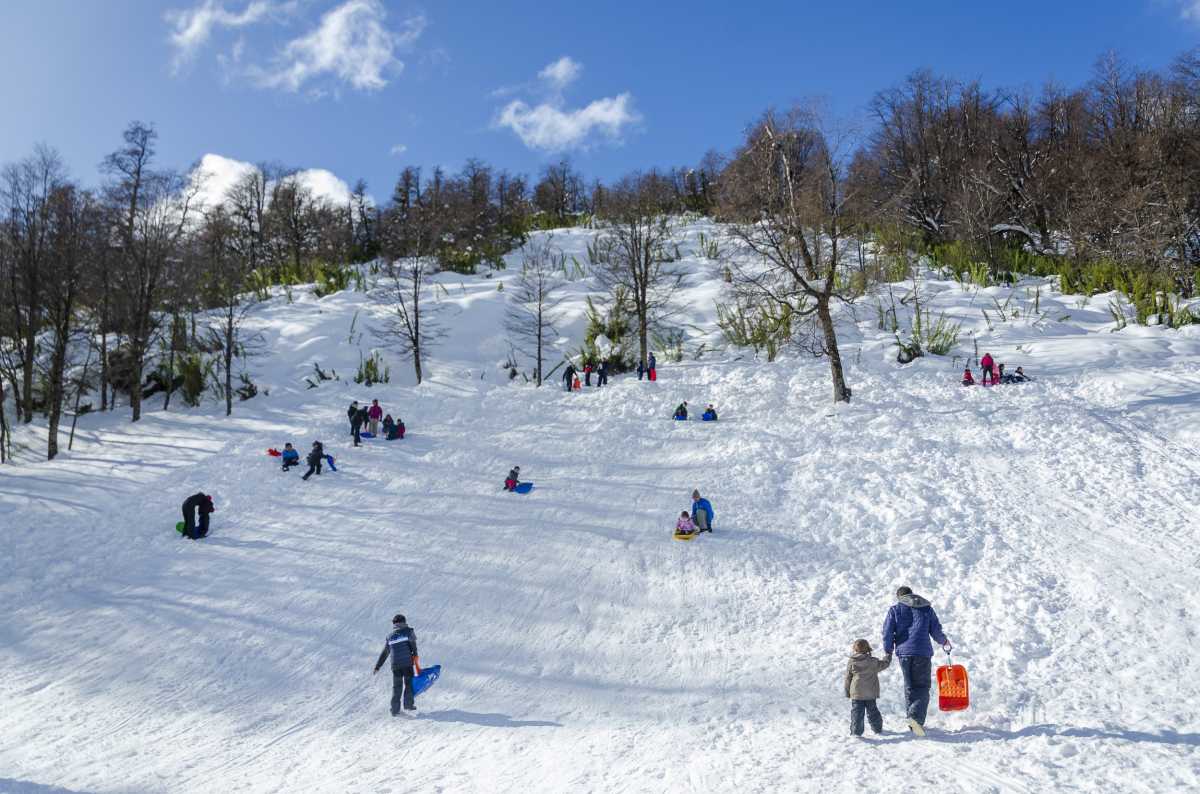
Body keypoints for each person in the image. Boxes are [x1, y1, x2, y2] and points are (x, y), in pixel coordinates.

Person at [881, 586, 951, 736]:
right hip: (922, 653)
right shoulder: (926, 609)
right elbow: (936, 630)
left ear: (899, 597)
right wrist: (944, 642)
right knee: (922, 687)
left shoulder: (895, 610)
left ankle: (913, 721)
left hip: (904, 654)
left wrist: (888, 650)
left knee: (910, 687)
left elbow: (887, 632)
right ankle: (915, 719)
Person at [372, 613, 421, 717]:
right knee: (408, 684)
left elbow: (385, 653)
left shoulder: (390, 637)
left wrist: (377, 666)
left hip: (395, 665)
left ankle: (395, 710)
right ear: (404, 622)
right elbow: (413, 646)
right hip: (407, 664)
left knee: (397, 687)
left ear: (394, 624)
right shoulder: (409, 632)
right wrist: (415, 657)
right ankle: (408, 705)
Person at [845, 638, 892, 737]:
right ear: (868, 649)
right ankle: (878, 729)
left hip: (857, 692)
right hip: (870, 692)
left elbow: (848, 677)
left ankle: (856, 732)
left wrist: (847, 691)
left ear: (855, 649)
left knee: (857, 713)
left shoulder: (852, 661)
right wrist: (888, 656)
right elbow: (884, 664)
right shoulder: (872, 661)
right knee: (873, 711)